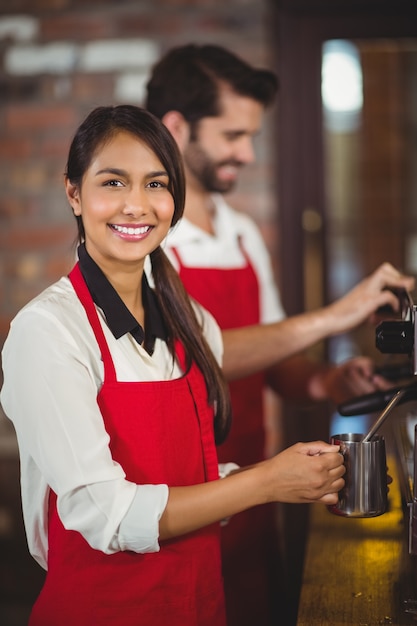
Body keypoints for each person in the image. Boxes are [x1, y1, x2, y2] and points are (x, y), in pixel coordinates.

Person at [1, 104, 353, 626]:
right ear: (73, 192)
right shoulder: (48, 331)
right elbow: (105, 514)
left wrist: (291, 475)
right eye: (113, 182)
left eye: (156, 184)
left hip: (198, 605)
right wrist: (266, 484)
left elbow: (192, 477)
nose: (137, 206)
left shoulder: (184, 317)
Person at [145, 44, 416, 625]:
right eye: (233, 134)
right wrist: (337, 314)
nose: (246, 152)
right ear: (176, 127)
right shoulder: (146, 242)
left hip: (258, 483)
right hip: (180, 499)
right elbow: (197, 355)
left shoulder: (241, 233)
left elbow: (272, 360)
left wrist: (325, 380)